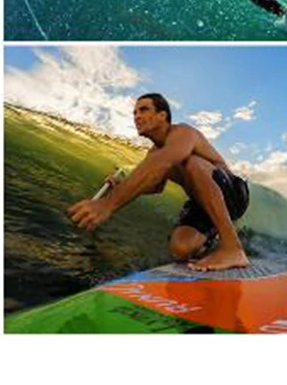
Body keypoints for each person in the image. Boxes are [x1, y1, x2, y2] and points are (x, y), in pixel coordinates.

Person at [67, 93, 250, 272]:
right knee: (180, 249)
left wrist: (108, 204)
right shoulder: (155, 153)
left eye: (144, 110)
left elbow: (165, 161)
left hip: (233, 194)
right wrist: (121, 184)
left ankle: (232, 247)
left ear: (162, 115)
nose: (137, 116)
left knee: (190, 162)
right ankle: (210, 239)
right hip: (203, 204)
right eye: (134, 113)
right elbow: (155, 185)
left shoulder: (183, 133)